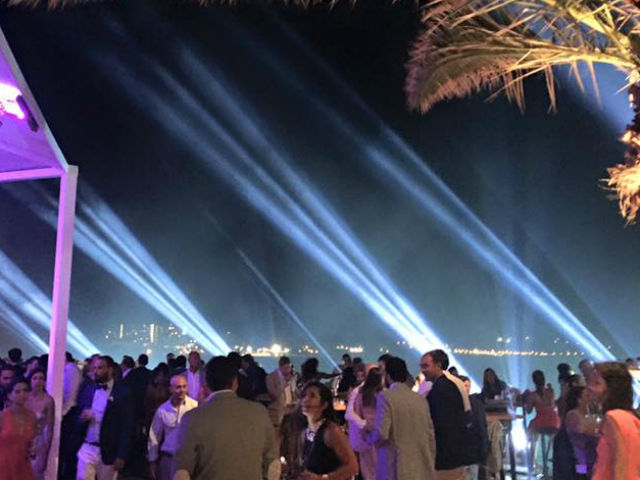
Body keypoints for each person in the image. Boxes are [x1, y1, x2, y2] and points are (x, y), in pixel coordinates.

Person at [173, 356, 279, 480]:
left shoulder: (192, 418)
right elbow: (273, 466)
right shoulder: (259, 412)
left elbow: (181, 471)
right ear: (235, 382)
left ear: (206, 383)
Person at [367, 356, 435, 480]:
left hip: (395, 464)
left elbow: (382, 433)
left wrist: (370, 438)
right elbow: (430, 434)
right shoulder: (420, 399)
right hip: (419, 464)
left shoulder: (386, 396)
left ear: (387, 375)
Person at [74, 355, 135, 480]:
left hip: (109, 450)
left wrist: (121, 455)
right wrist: (81, 418)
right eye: (94, 368)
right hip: (87, 446)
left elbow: (127, 426)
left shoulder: (122, 393)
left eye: (100, 368)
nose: (95, 371)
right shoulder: (88, 389)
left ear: (110, 370)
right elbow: (77, 416)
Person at [421, 350, 472, 479]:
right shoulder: (452, 383)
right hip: (456, 452)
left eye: (426, 366)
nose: (422, 370)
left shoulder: (441, 388)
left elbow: (439, 422)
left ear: (438, 365)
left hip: (446, 454)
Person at [298, 381, 358, 480]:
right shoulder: (304, 432)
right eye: (304, 396)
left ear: (324, 405)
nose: (305, 400)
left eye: (312, 396)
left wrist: (322, 478)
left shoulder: (331, 432)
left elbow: (353, 467)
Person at [590, 362, 640, 480]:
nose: (590, 388)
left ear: (612, 388)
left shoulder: (614, 417)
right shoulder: (630, 417)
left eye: (597, 383)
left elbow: (621, 462)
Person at [148, 375, 197, 480]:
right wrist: (152, 460)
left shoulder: (194, 406)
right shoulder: (162, 410)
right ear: (170, 389)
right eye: (178, 387)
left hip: (188, 458)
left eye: (184, 386)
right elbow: (154, 436)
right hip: (169, 457)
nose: (182, 390)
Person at [349, 367, 383, 480]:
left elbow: (353, 414)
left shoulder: (360, 394)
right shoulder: (380, 395)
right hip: (375, 436)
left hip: (364, 437)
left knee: (367, 468)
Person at [0, 378, 37, 480]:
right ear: (9, 395)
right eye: (17, 392)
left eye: (25, 390)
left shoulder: (32, 416)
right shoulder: (2, 417)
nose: (22, 394)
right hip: (3, 465)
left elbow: (31, 444)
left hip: (23, 465)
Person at [26, 369, 54, 480]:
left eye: (41, 378)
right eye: (35, 378)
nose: (38, 381)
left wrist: (46, 451)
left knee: (35, 474)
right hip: (21, 440)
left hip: (38, 442)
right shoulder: (24, 397)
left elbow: (50, 428)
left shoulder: (48, 401)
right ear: (30, 380)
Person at [460, 376, 488, 480]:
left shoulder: (476, 404)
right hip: (467, 449)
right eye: (464, 386)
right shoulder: (476, 404)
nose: (467, 388)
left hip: (472, 448)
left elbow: (481, 426)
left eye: (468, 386)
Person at [266, 356, 297, 429]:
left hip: (290, 410)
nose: (288, 370)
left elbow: (294, 391)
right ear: (280, 367)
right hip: (277, 411)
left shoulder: (292, 378)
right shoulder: (271, 377)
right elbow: (273, 394)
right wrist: (285, 382)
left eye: (289, 368)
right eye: (286, 368)